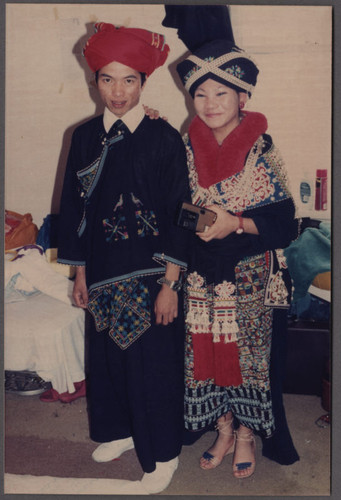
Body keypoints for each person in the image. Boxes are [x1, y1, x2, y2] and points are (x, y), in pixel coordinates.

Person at [57, 22, 190, 493]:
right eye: (108, 79)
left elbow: (182, 215)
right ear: (94, 81)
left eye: (129, 79)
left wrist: (171, 283)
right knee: (109, 359)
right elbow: (74, 209)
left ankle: (165, 455)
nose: (118, 91)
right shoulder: (85, 136)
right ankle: (119, 432)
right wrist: (79, 272)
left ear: (143, 82)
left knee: (152, 365)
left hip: (155, 273)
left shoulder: (164, 137)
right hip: (103, 269)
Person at [175, 39, 301, 479]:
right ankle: (223, 428)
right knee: (203, 356)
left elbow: (287, 221)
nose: (209, 104)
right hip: (201, 273)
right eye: (200, 94)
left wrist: (237, 223)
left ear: (243, 97)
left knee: (249, 359)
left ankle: (247, 434)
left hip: (251, 275)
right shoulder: (183, 147)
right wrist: (206, 218)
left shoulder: (262, 150)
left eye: (221, 93)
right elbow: (173, 209)